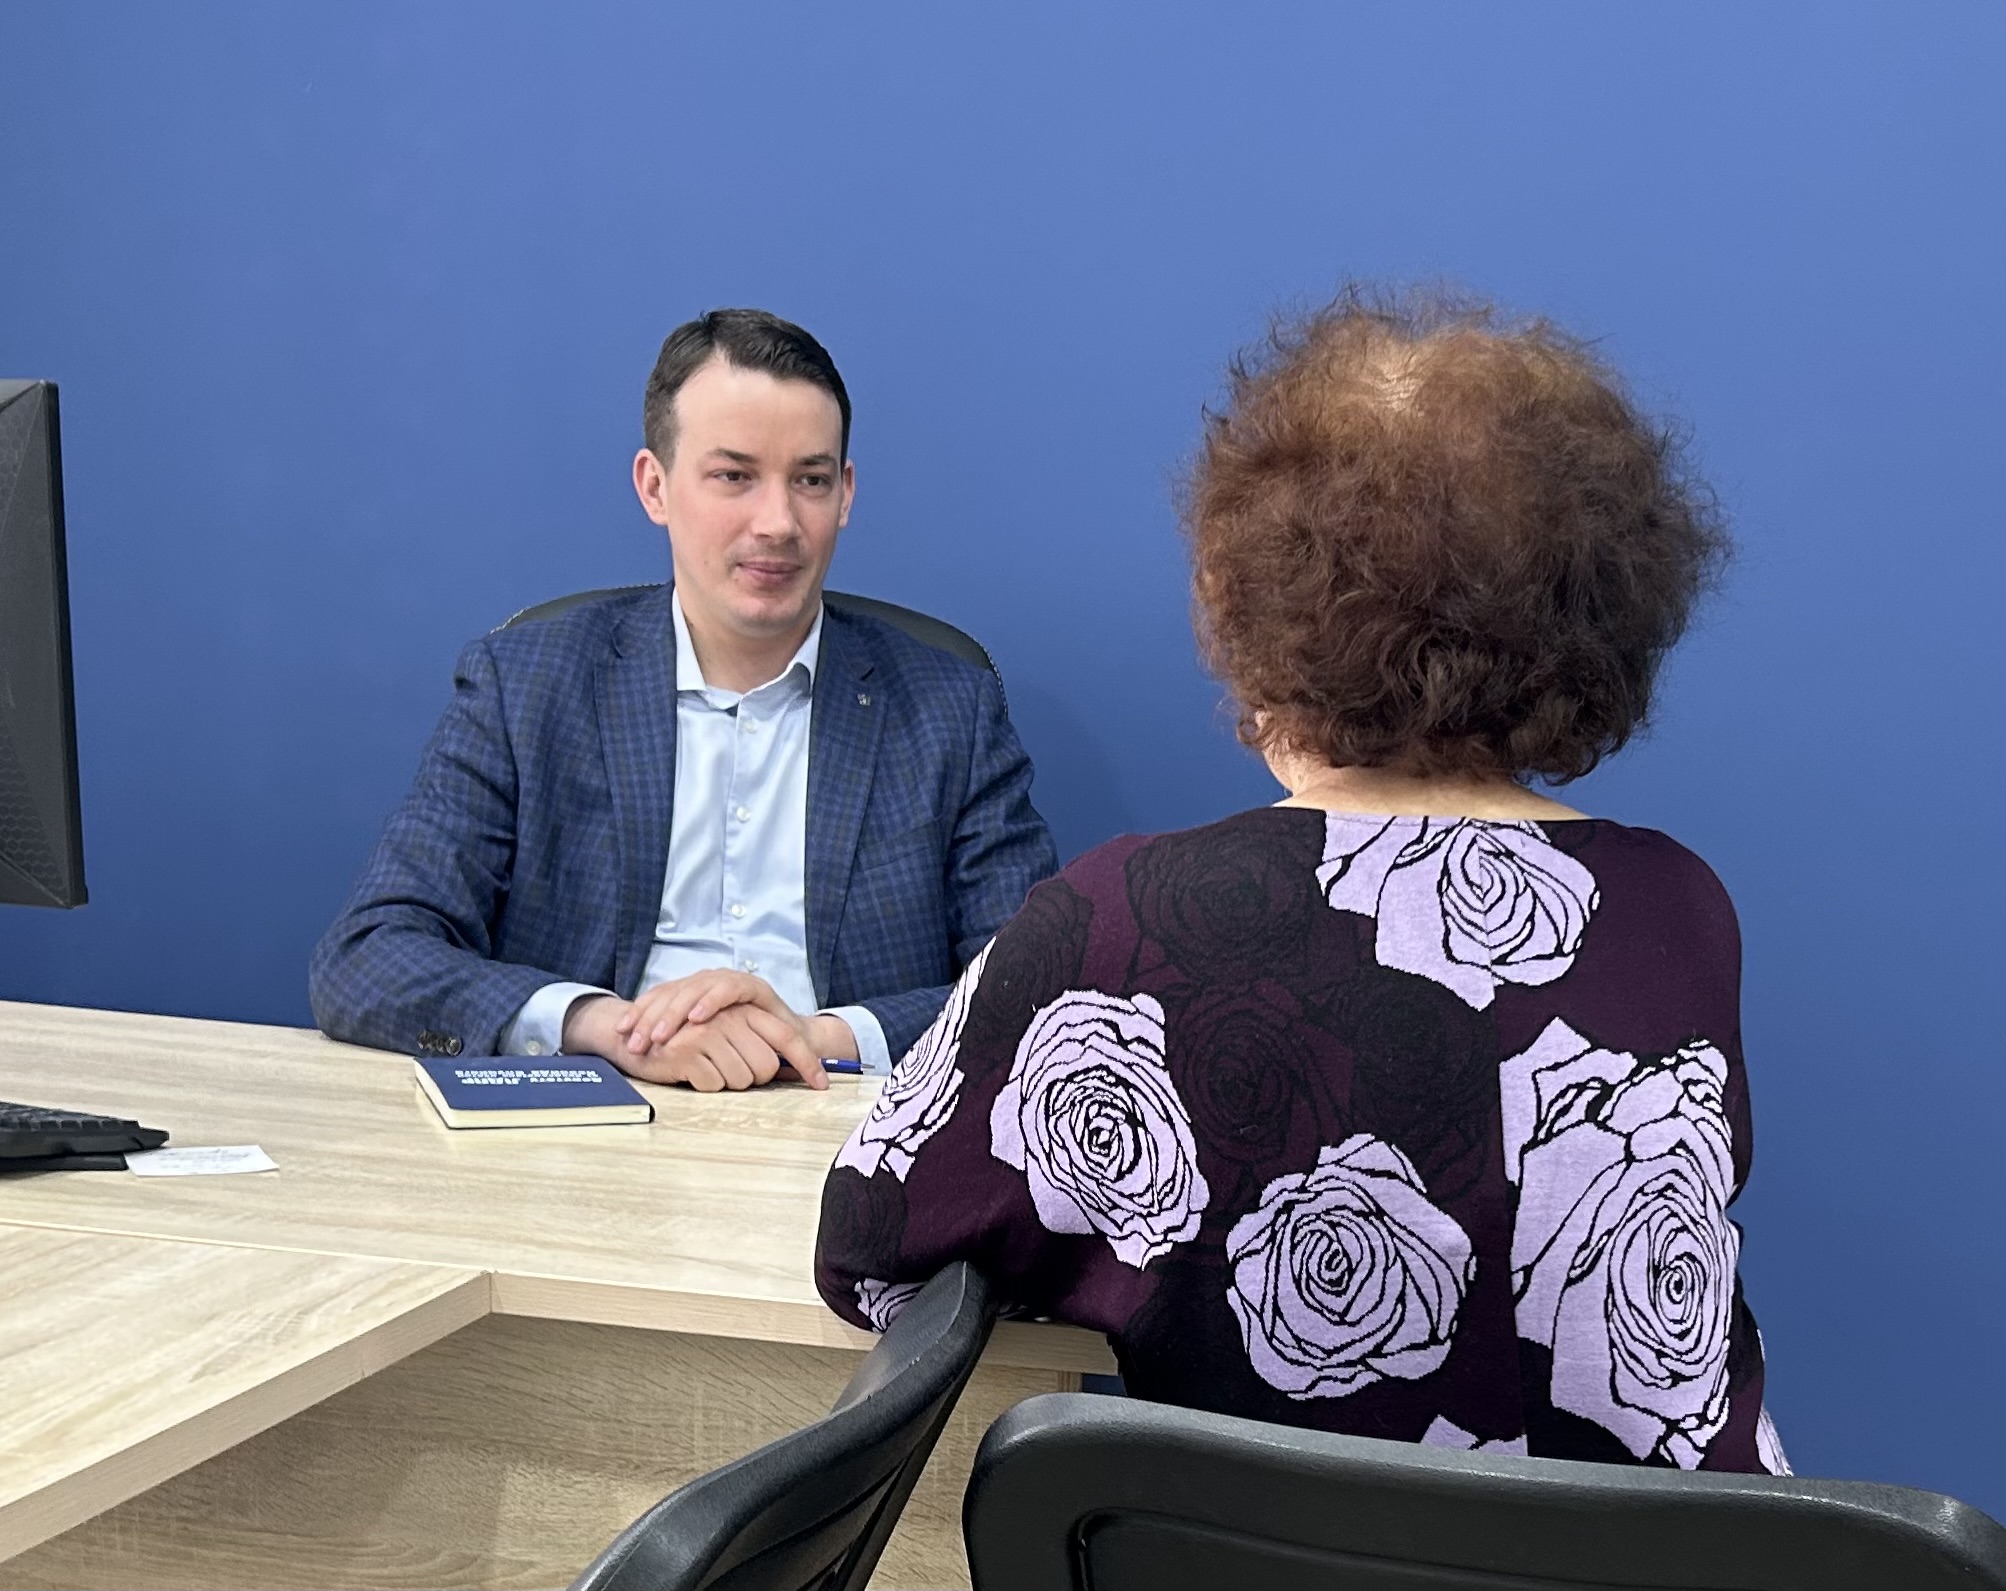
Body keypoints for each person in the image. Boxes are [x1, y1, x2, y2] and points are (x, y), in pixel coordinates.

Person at [817, 290, 1788, 1473]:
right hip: (1673, 1556)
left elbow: (869, 1244)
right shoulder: (1673, 909)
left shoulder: (1121, 920)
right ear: (1596, 607)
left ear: (1247, 592)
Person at [310, 309, 1057, 1090]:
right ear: (655, 486)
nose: (778, 522)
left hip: (842, 1122)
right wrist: (604, 1028)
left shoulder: (949, 711)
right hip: (588, 1123)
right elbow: (367, 955)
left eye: (809, 480)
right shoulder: (526, 686)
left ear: (845, 494)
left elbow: (1041, 983)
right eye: (734, 476)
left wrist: (817, 1038)